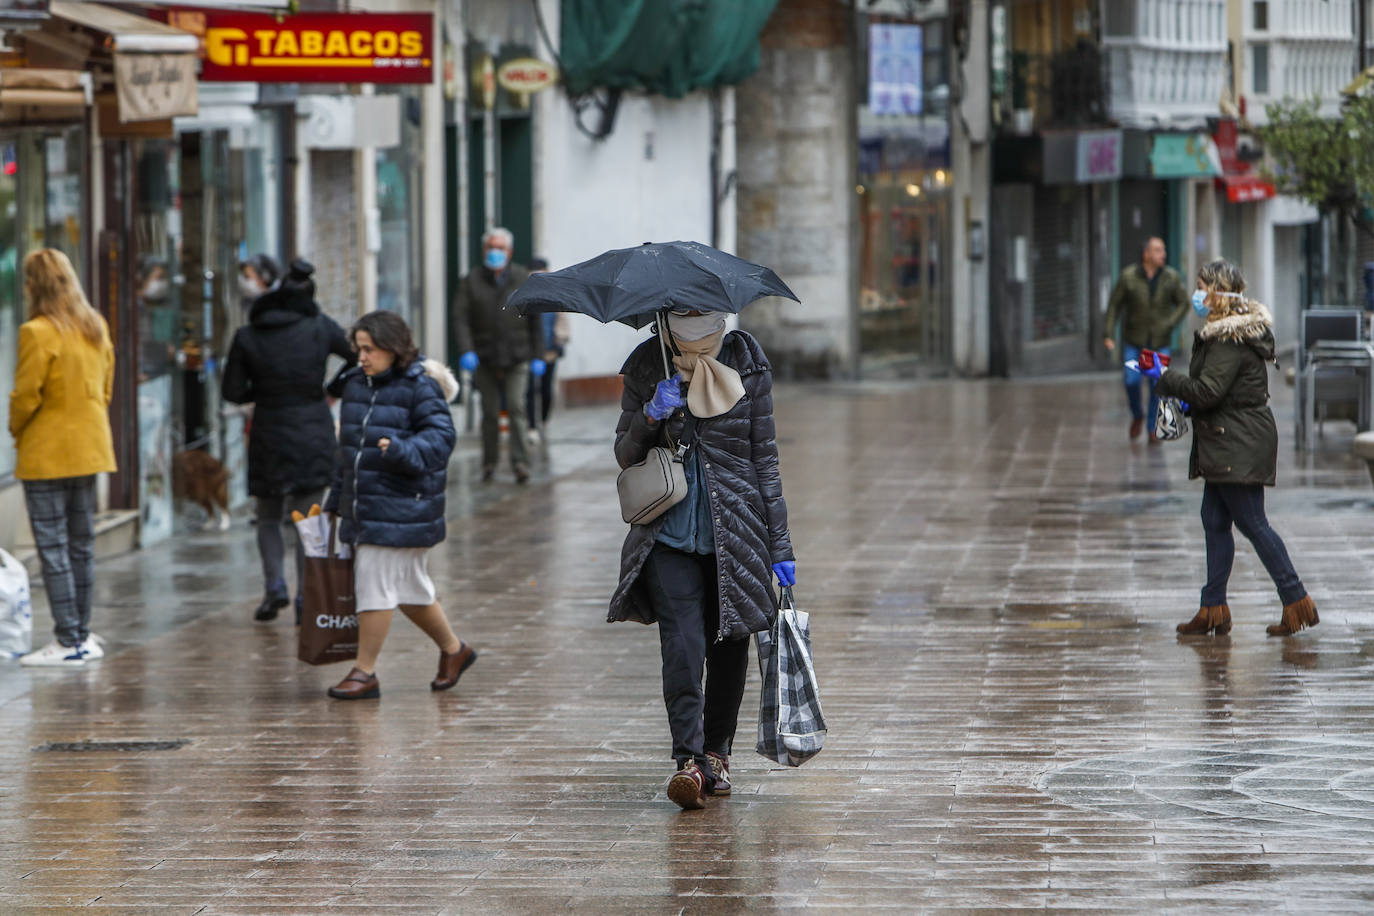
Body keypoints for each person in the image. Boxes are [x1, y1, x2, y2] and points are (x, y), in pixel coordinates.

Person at [609, 309, 796, 810]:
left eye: (705, 311)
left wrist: (780, 545)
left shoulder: (746, 360)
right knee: (683, 646)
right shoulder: (649, 363)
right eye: (685, 312)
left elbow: (765, 458)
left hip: (737, 531)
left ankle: (717, 754)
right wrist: (651, 414)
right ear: (667, 315)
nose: (697, 320)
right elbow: (626, 455)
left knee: (730, 643)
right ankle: (688, 762)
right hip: (669, 532)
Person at [1141, 258, 1318, 638]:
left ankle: (1296, 601)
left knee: (1252, 523)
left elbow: (1208, 390)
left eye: (1203, 286)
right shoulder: (1226, 334)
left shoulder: (1227, 338)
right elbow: (1216, 392)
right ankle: (1212, 608)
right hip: (1228, 437)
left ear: (1219, 294)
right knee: (1215, 520)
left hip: (1235, 440)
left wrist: (1163, 376)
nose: (1198, 294)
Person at [322, 310, 476, 699]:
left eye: (369, 349)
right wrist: (335, 498)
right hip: (366, 503)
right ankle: (455, 651)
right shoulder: (357, 384)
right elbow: (349, 450)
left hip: (403, 505)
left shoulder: (419, 386)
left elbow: (441, 439)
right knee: (410, 588)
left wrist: (402, 450)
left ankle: (365, 671)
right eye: (358, 349)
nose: (362, 357)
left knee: (373, 584)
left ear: (393, 348)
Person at [222, 258, 355, 623]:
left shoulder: (248, 336)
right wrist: (331, 388)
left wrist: (262, 389)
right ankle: (304, 598)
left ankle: (274, 586)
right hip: (312, 426)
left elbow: (232, 391)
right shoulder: (319, 327)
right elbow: (359, 357)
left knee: (267, 516)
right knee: (307, 518)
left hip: (268, 429)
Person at [8, 249, 115, 666]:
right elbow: (105, 389)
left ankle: (68, 639)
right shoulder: (94, 326)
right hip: (90, 448)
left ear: (37, 285)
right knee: (81, 547)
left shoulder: (37, 332)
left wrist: (15, 429)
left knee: (53, 547)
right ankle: (81, 635)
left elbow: (25, 396)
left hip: (47, 452)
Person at [452, 227, 544, 483]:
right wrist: (467, 350)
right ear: (484, 250)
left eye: (501, 248)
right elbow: (460, 319)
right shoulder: (471, 281)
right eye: (492, 247)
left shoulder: (523, 278)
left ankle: (520, 463)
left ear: (509, 251)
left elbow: (535, 321)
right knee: (490, 413)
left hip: (517, 356)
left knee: (516, 407)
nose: (496, 252)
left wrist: (538, 355)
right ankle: (489, 463)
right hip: (485, 357)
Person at [1104, 237, 1189, 442]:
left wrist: (1170, 323)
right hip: (1135, 341)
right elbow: (1115, 306)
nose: (1163, 254)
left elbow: (1183, 303)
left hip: (1158, 342)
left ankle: (1152, 427)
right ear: (1146, 254)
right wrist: (1108, 333)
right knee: (1131, 381)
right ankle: (1137, 415)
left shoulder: (1171, 277)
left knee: (1156, 385)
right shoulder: (1129, 277)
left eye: (1164, 250)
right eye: (1158, 250)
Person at [524, 257, 569, 439]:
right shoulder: (525, 296)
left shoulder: (555, 296)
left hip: (549, 352)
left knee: (545, 389)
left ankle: (543, 420)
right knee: (528, 389)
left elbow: (562, 321)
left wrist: (559, 343)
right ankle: (531, 425)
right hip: (528, 353)